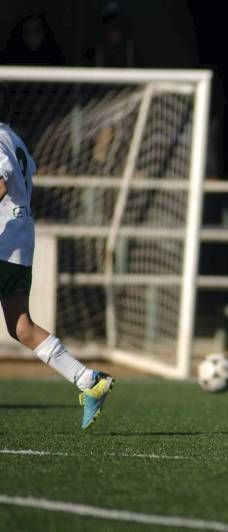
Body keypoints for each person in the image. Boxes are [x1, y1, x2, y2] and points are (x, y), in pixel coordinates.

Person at [0, 85, 112, 430]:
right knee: (21, 327)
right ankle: (87, 378)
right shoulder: (11, 135)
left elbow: (1, 184)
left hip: (3, 236)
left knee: (20, 325)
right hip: (19, 237)